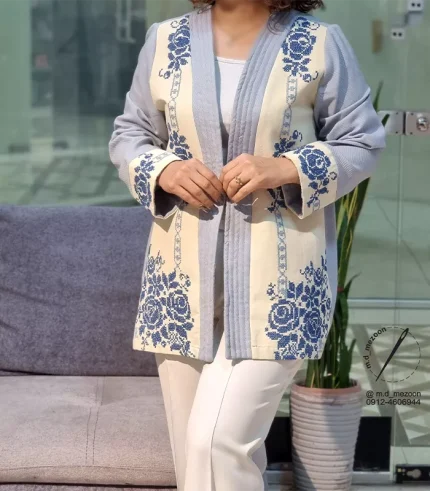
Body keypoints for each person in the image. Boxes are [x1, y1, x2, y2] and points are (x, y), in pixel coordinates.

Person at [108, 0, 386, 489]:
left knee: (216, 443)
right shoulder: (166, 39)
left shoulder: (319, 43)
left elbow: (362, 142)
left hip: (281, 286)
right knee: (196, 462)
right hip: (179, 285)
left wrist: (285, 168)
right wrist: (165, 170)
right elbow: (130, 134)